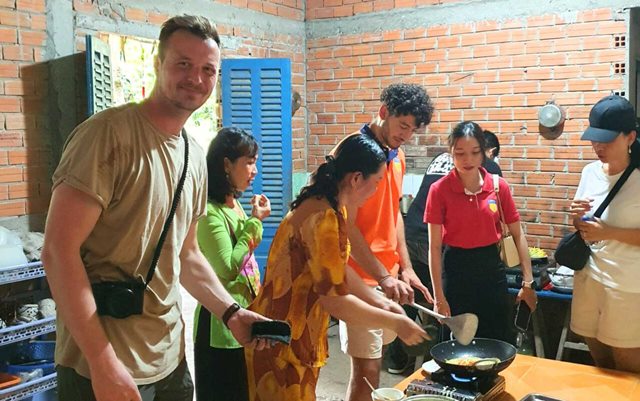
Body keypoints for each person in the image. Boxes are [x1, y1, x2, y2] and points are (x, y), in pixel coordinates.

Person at [41, 15, 270, 401]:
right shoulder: (107, 136)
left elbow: (188, 254)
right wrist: (102, 361)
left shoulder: (194, 156)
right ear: (157, 63)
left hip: (170, 361)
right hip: (103, 364)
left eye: (208, 69)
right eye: (183, 64)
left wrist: (230, 313)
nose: (196, 78)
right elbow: (58, 252)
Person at [245, 134, 428, 401]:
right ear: (356, 179)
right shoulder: (322, 217)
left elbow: (338, 270)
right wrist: (396, 322)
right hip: (281, 341)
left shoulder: (334, 207)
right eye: (376, 182)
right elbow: (336, 302)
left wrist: (380, 300)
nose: (377, 190)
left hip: (297, 336)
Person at [335, 83, 434, 401]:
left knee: (375, 372)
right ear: (383, 113)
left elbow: (394, 214)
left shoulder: (397, 156)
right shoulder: (353, 153)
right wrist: (383, 275)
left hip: (386, 274)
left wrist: (405, 267)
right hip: (358, 278)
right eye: (402, 125)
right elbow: (346, 227)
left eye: (412, 129)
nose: (406, 134)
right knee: (367, 371)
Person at [386, 150, 503, 374]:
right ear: (488, 151)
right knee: (447, 302)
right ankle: (442, 362)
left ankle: (396, 360)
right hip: (437, 239)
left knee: (411, 298)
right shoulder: (487, 167)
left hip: (412, 233)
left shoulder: (439, 157)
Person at [426, 121, 537, 344]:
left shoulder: (498, 186)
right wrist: (438, 296)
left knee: (496, 338)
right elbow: (435, 247)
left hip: (491, 269)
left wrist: (528, 283)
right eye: (460, 153)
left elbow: (518, 234)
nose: (468, 160)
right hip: (456, 270)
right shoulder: (439, 190)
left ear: (483, 153)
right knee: (456, 342)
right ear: (451, 153)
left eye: (475, 152)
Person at [194, 127, 271, 401]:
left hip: (243, 311)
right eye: (249, 162)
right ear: (226, 164)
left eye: (255, 162)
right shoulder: (209, 212)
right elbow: (228, 267)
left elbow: (246, 250)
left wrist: (252, 221)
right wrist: (255, 222)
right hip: (218, 322)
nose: (255, 171)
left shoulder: (233, 204)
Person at [568, 95, 640, 373]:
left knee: (627, 370)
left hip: (627, 285)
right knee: (601, 365)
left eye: (607, 140)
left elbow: (604, 230)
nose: (598, 146)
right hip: (589, 278)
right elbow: (583, 227)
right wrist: (577, 218)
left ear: (630, 137)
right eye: (594, 139)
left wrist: (608, 232)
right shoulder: (590, 172)